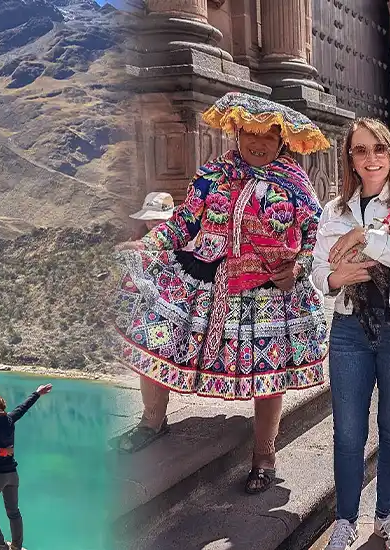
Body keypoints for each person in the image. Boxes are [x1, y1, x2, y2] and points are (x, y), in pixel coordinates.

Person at [111, 92, 333, 496]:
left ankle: (264, 456)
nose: (258, 142)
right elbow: (183, 222)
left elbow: (316, 236)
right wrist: (149, 247)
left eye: (268, 134)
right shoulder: (214, 173)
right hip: (204, 273)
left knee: (269, 370)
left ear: (282, 138)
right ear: (236, 130)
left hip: (268, 287)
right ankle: (151, 421)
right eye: (250, 131)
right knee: (157, 332)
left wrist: (298, 265)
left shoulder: (295, 184)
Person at [311, 118, 390, 550]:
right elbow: (318, 269)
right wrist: (335, 277)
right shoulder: (334, 210)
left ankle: (386, 515)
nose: (371, 158)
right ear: (350, 158)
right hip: (348, 330)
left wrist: (365, 237)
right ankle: (345, 520)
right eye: (361, 150)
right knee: (347, 432)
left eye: (378, 148)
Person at [0, 384, 52, 550]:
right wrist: (36, 393)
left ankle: (0, 544)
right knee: (13, 511)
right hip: (12, 474)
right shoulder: (9, 419)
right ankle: (17, 546)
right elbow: (22, 408)